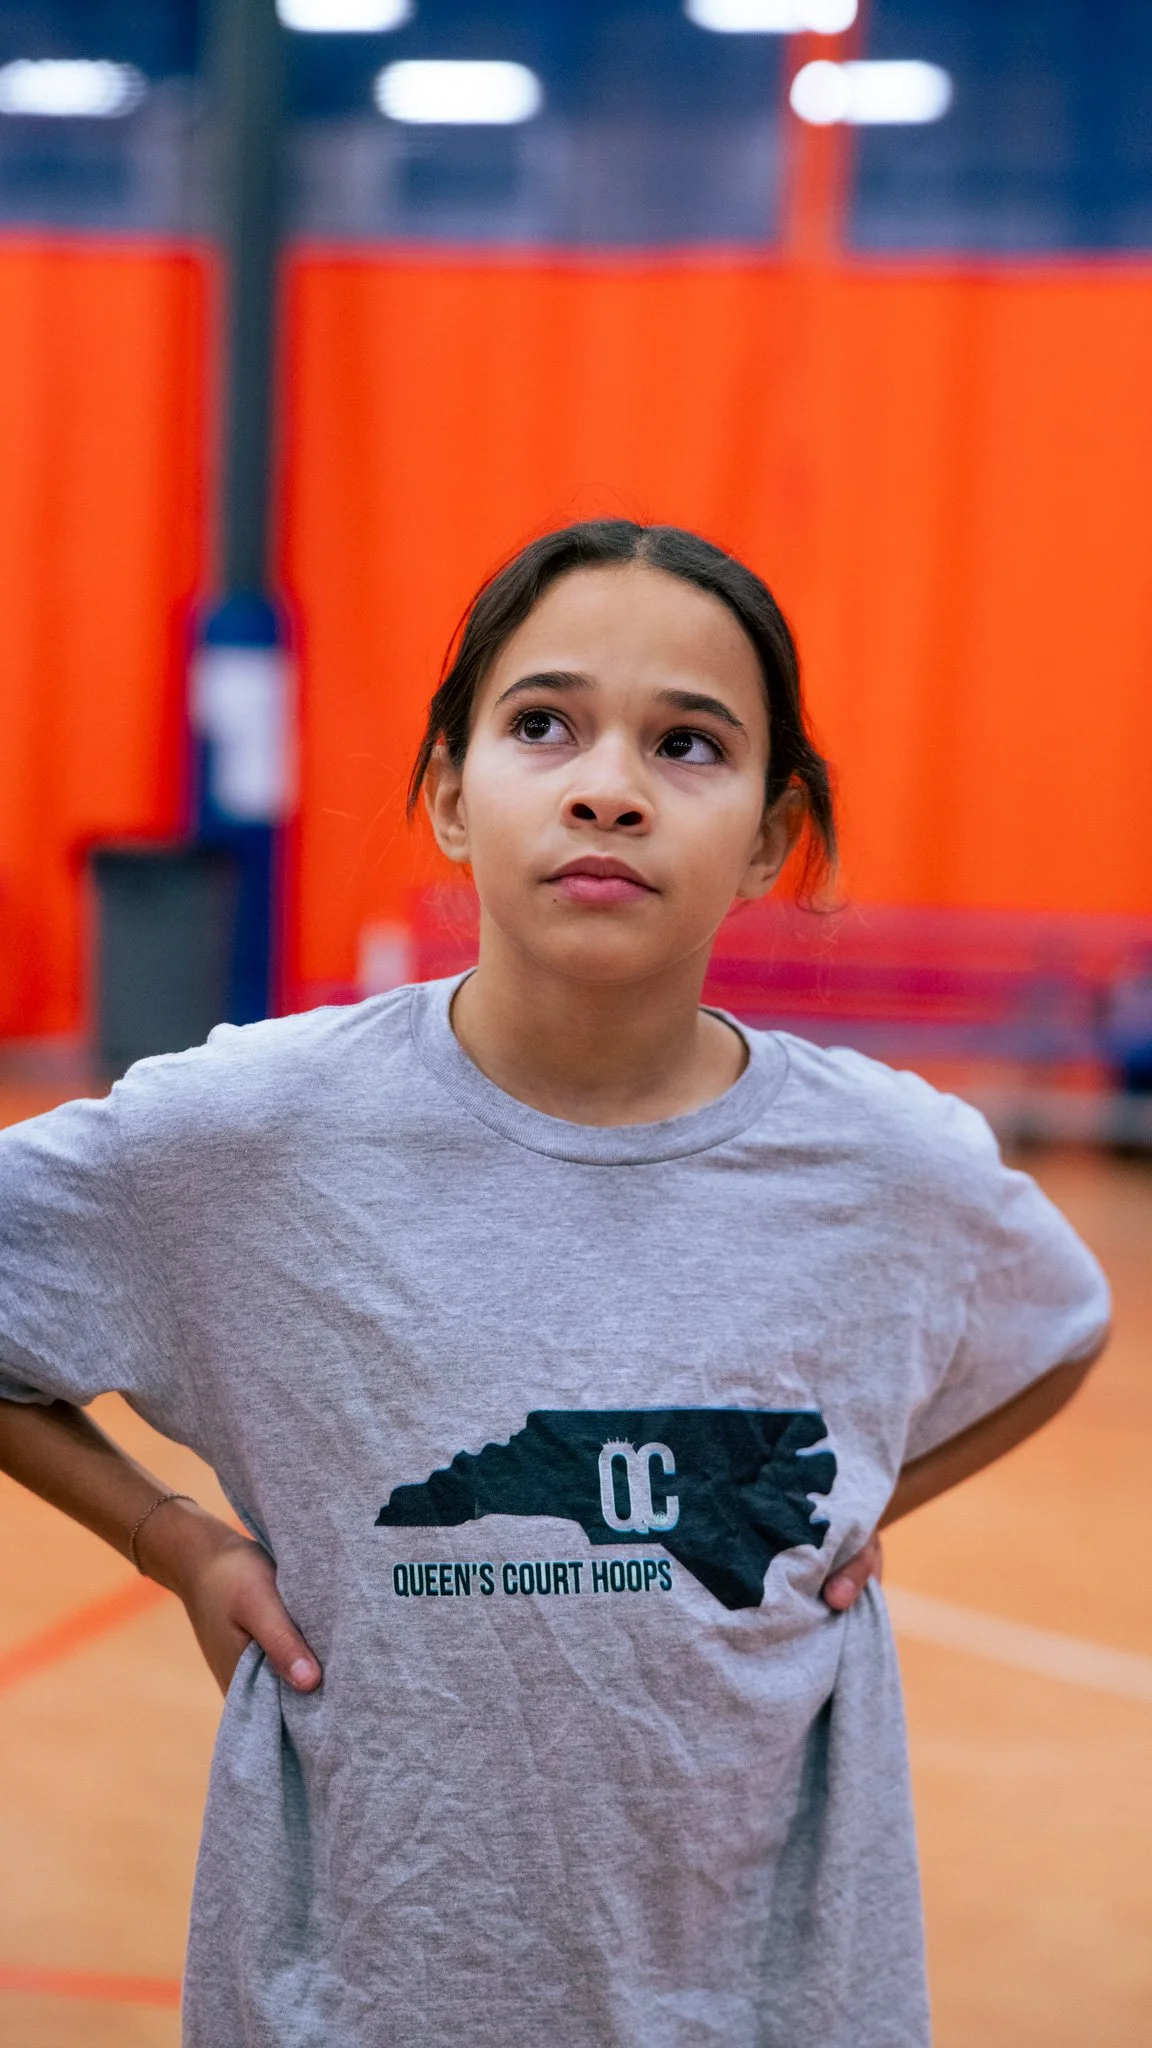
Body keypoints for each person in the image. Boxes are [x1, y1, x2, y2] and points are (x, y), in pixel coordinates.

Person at [0, 521, 1109, 2048]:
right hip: (362, 1995)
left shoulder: (888, 1165)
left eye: (688, 744)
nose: (609, 786)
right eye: (544, 725)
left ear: (774, 837)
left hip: (765, 2002)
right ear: (452, 795)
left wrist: (854, 1502)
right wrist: (168, 1536)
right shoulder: (249, 1134)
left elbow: (1059, 1325)